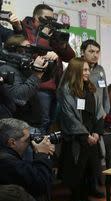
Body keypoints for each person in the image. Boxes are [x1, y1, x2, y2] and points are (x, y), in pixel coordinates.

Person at [0, 118, 67, 201]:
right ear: (12, 142)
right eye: (27, 140)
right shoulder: (8, 163)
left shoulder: (7, 156)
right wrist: (42, 155)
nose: (30, 143)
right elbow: (40, 184)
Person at [58, 57, 104, 201]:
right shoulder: (66, 90)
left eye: (88, 69)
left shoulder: (90, 87)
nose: (88, 72)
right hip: (77, 137)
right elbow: (70, 117)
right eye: (84, 70)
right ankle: (76, 199)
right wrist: (85, 135)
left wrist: (97, 132)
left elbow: (99, 112)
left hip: (92, 135)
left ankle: (85, 196)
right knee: (77, 170)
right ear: (76, 71)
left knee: (89, 168)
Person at [21, 3, 76, 134]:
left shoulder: (51, 32)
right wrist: (44, 37)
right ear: (36, 19)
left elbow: (70, 57)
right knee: (41, 123)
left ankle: (44, 149)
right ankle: (38, 151)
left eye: (52, 20)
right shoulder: (24, 30)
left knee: (50, 123)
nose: (49, 23)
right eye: (46, 19)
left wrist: (62, 45)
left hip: (55, 86)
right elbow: (33, 50)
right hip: (39, 86)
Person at [0, 35, 48, 131]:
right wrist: (36, 75)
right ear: (14, 50)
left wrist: (48, 61)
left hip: (32, 121)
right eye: (25, 49)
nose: (28, 53)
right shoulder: (6, 69)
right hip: (20, 127)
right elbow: (19, 96)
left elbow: (46, 77)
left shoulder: (24, 67)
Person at [80, 39, 107, 197]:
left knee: (97, 153)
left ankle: (94, 185)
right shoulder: (77, 67)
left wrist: (105, 110)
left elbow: (103, 92)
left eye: (97, 52)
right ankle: (84, 189)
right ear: (83, 51)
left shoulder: (100, 70)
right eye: (91, 51)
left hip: (98, 115)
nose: (95, 55)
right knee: (85, 154)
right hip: (84, 115)